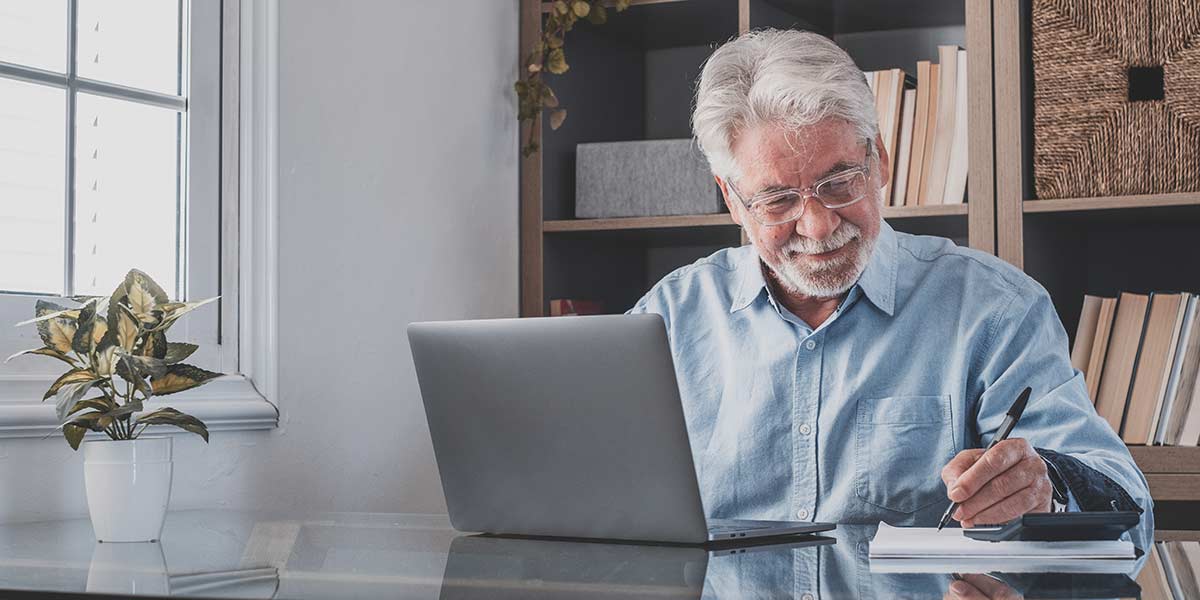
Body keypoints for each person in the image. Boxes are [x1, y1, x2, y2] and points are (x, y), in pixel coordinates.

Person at [627, 29, 1152, 541]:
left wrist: (1048, 490)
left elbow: (1129, 503)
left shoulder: (994, 308)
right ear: (732, 198)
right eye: (777, 200)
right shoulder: (670, 318)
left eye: (838, 183)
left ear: (879, 159)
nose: (817, 226)